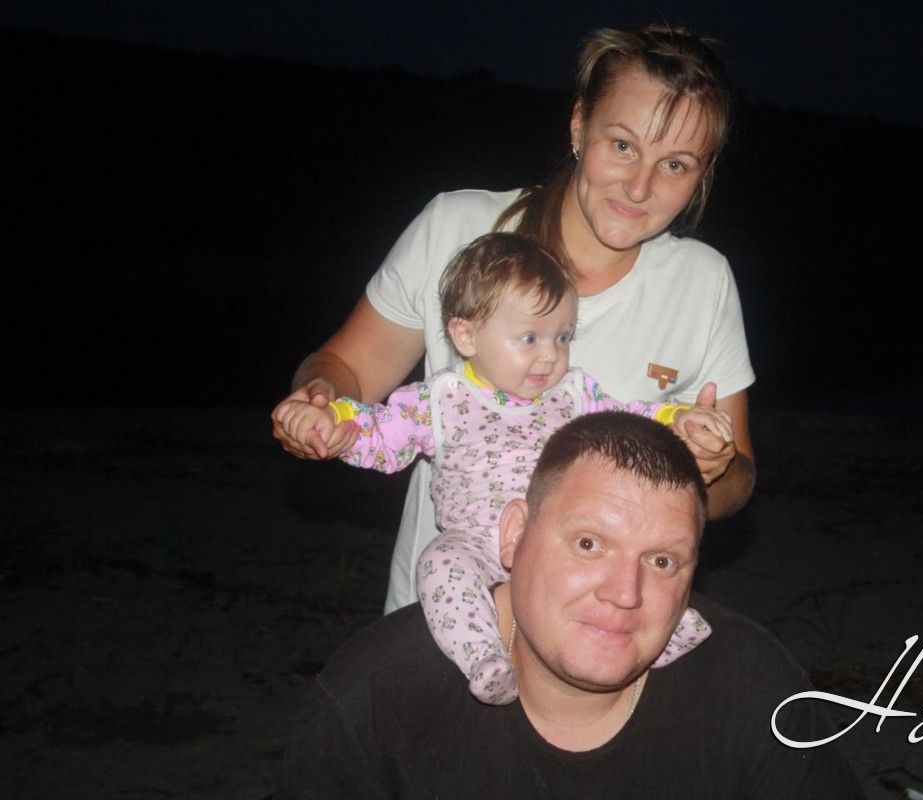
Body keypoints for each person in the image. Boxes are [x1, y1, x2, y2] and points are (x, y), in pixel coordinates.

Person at [270, 23, 757, 614]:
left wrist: (713, 465)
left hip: (607, 625)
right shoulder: (454, 226)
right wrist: (318, 400)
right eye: (622, 146)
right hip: (441, 620)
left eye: (675, 164)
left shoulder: (704, 282)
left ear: (703, 173)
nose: (639, 186)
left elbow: (736, 485)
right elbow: (347, 366)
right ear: (579, 125)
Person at [276, 413, 864, 798]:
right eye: (589, 544)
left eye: (662, 561)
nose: (625, 593)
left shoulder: (753, 688)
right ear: (514, 534)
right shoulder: (378, 696)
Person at [273, 232, 731, 704]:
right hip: (473, 541)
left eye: (563, 337)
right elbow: (380, 431)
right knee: (438, 562)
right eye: (530, 338)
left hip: (555, 545)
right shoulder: (441, 400)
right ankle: (483, 657)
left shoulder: (575, 394)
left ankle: (659, 630)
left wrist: (679, 418)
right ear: (466, 334)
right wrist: (332, 422)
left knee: (617, 561)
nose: (550, 354)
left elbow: (630, 420)